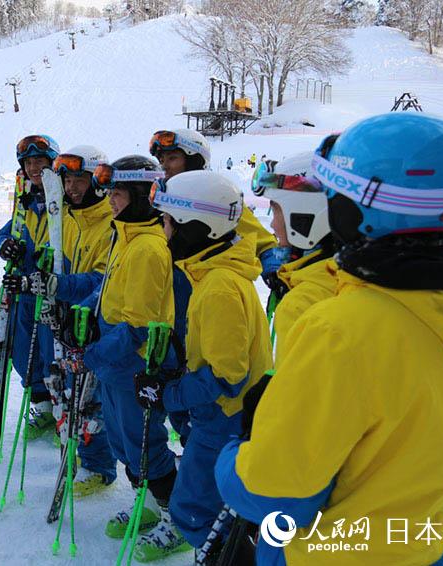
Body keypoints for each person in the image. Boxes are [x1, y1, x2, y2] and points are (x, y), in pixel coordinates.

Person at [215, 113, 443, 565]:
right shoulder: (435, 309)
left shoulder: (340, 329)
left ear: (350, 211)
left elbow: (274, 493)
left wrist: (235, 455)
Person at [134, 170, 272, 561]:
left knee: (193, 510)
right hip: (225, 415)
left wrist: (168, 393)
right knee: (211, 509)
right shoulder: (213, 277)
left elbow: (227, 375)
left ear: (197, 228)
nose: (164, 232)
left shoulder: (219, 288)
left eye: (168, 223)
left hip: (224, 418)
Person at [58, 155, 178, 550]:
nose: (110, 200)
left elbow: (138, 325)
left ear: (143, 197)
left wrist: (89, 356)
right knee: (126, 444)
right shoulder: (122, 235)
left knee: (145, 444)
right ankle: (146, 501)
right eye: (109, 192)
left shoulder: (147, 248)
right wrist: (87, 311)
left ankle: (175, 517)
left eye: (119, 194)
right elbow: (108, 287)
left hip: (134, 364)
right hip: (113, 362)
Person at [20, 145, 118, 495]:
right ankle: (74, 449)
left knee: (90, 396)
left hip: (95, 320)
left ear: (96, 181)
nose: (73, 186)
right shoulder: (67, 217)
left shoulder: (109, 221)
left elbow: (103, 280)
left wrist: (63, 286)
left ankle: (99, 466)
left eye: (80, 178)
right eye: (67, 179)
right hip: (66, 316)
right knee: (65, 387)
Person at [149, 129, 282, 294]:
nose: (164, 166)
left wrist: (273, 269)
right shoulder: (164, 197)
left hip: (210, 290)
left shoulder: (215, 198)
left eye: (172, 158)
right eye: (161, 160)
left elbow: (261, 240)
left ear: (193, 160)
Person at [251, 151, 337, 366]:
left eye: (276, 210)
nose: (272, 225)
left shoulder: (300, 304)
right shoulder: (346, 278)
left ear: (303, 215)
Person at [0, 134, 59, 437]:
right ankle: (42, 406)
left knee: (51, 352)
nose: (35, 167)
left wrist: (37, 256)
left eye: (41, 162)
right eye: (29, 162)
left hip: (49, 289)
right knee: (23, 352)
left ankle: (61, 407)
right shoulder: (24, 196)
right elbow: (9, 229)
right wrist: (6, 245)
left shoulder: (62, 197)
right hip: (22, 288)